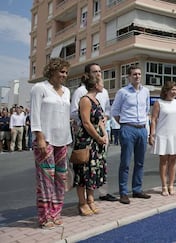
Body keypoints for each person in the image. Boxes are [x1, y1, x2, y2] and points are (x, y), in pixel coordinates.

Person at [30, 58, 72, 229]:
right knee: (46, 180)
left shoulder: (67, 91)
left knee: (61, 179)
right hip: (45, 140)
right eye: (61, 71)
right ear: (52, 71)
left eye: (66, 72)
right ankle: (45, 216)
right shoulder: (40, 88)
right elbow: (35, 114)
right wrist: (39, 136)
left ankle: (56, 212)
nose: (64, 75)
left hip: (63, 140)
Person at [70, 63, 117, 202]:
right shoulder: (81, 92)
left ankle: (102, 193)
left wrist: (103, 130)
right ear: (88, 74)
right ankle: (84, 200)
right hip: (87, 135)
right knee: (85, 167)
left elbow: (106, 111)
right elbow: (74, 113)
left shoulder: (104, 92)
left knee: (98, 166)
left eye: (100, 71)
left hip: (102, 133)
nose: (98, 74)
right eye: (95, 71)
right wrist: (91, 127)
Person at [111, 66, 151, 204]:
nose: (137, 76)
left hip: (142, 129)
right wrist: (124, 124)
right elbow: (115, 111)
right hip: (128, 128)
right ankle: (123, 192)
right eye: (134, 74)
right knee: (126, 162)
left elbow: (146, 109)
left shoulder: (145, 91)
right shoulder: (122, 92)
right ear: (129, 76)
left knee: (140, 162)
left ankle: (137, 189)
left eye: (139, 74)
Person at [73, 74, 108, 216]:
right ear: (95, 85)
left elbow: (100, 120)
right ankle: (82, 202)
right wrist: (98, 137)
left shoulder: (97, 100)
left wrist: (104, 134)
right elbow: (86, 123)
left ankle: (91, 200)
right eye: (101, 82)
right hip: (86, 140)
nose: (103, 84)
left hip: (97, 140)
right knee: (83, 171)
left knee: (93, 171)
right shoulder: (85, 100)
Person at [149, 81, 176, 196]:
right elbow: (153, 120)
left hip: (175, 134)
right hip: (162, 134)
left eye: (175, 89)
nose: (174, 92)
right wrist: (152, 134)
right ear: (166, 91)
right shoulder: (158, 103)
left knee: (173, 160)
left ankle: (171, 185)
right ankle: (164, 186)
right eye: (171, 90)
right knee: (163, 161)